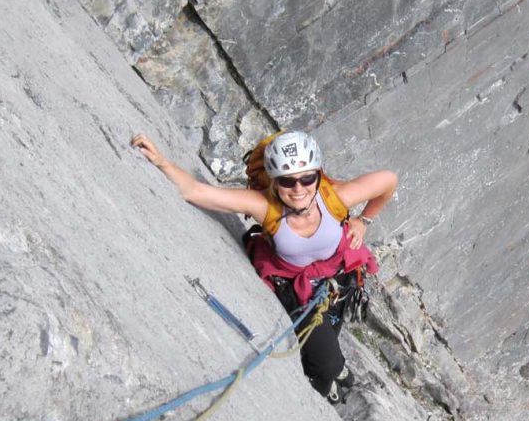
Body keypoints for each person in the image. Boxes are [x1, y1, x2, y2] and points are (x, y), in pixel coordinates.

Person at [131, 130, 397, 403]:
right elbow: (195, 191)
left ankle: (332, 369)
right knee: (327, 364)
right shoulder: (265, 207)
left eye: (307, 178)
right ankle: (329, 374)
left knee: (327, 347)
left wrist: (364, 221)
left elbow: (389, 180)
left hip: (338, 282)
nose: (298, 189)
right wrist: (162, 162)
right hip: (297, 290)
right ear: (274, 181)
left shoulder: (334, 198)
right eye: (287, 181)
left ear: (318, 175)